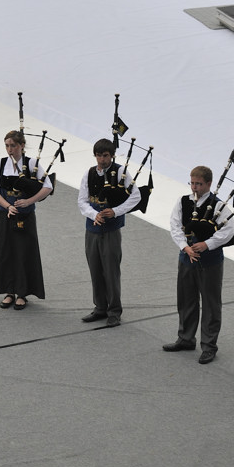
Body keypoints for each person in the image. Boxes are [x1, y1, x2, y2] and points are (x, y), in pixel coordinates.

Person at [163, 166, 234, 363]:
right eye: (192, 183)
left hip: (210, 262)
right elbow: (175, 225)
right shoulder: (183, 201)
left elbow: (228, 230)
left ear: (209, 184)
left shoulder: (219, 207)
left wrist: (207, 244)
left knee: (211, 303)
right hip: (187, 258)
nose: (194, 187)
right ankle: (185, 338)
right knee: (186, 299)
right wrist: (185, 247)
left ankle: (209, 345)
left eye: (199, 184)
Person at [77, 138, 141, 328]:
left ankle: (114, 310)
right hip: (92, 228)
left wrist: (115, 211)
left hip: (111, 229)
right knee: (95, 268)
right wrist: (94, 214)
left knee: (111, 271)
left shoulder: (121, 172)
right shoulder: (89, 173)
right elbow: (82, 201)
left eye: (105, 156)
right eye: (98, 155)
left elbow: (135, 196)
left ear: (112, 155)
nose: (102, 160)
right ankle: (100, 307)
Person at [0, 130, 52, 310]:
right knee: (6, 251)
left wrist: (29, 201)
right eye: (7, 146)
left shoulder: (32, 164)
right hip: (4, 214)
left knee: (24, 252)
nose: (10, 149)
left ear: (21, 146)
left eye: (13, 145)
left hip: (25, 214)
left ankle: (22, 293)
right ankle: (9, 291)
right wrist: (8, 206)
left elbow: (48, 186)